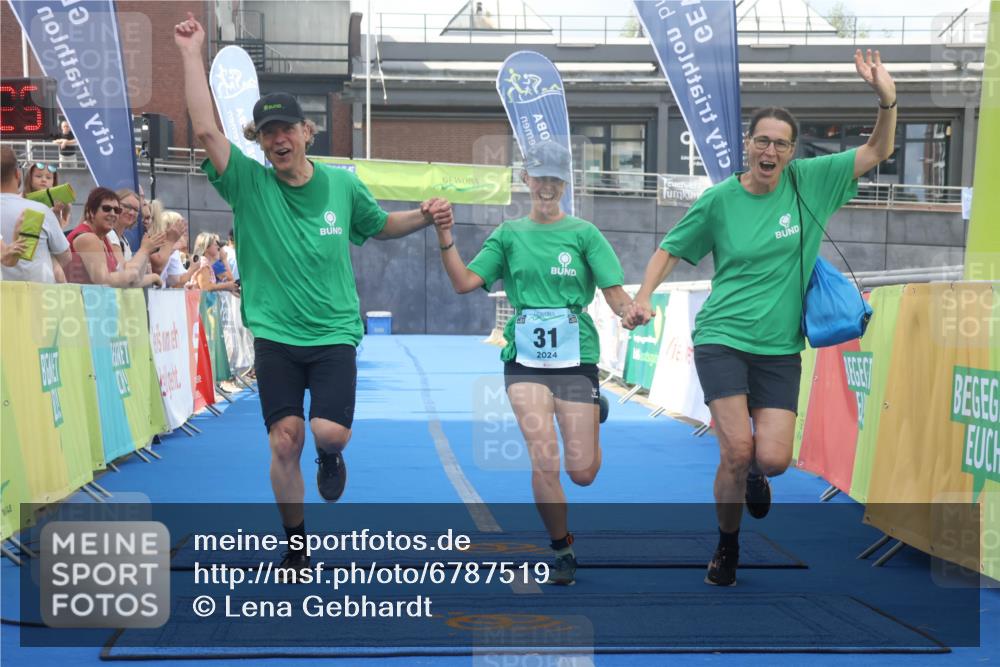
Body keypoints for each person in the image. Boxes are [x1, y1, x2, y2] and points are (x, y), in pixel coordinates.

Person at [174, 11, 454, 571]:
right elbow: (206, 130)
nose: (278, 138)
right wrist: (190, 52)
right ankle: (296, 542)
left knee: (329, 434)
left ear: (307, 132)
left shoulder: (342, 185)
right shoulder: (247, 183)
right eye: (267, 132)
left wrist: (425, 217)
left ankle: (330, 458)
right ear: (259, 140)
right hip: (275, 332)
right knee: (284, 439)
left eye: (287, 129)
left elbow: (378, 228)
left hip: (332, 332)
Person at [626, 49, 897, 587]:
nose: (770, 150)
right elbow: (671, 249)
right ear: (748, 146)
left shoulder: (811, 181)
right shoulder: (720, 200)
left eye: (781, 143)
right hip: (723, 338)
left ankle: (755, 476)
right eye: (762, 140)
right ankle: (727, 547)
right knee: (736, 447)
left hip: (779, 348)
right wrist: (644, 296)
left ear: (792, 152)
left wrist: (887, 98)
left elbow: (878, 149)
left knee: (771, 459)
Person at [434, 139, 633, 585]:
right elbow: (466, 282)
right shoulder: (508, 234)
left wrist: (631, 312)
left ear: (565, 183)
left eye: (555, 178)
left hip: (575, 357)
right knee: (544, 459)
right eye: (539, 176)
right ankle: (562, 548)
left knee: (582, 473)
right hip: (524, 362)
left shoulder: (584, 234)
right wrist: (444, 237)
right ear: (525, 179)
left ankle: (593, 411)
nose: (546, 186)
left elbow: (616, 295)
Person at [65, 187, 164, 287]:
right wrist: (144, 251)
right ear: (91, 211)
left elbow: (128, 281)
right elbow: (103, 281)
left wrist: (146, 254)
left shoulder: (103, 238)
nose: (112, 214)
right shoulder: (88, 238)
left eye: (116, 210)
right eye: (106, 209)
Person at [0, 147, 71, 283]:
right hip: (38, 295)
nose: (43, 180)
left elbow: (8, 258)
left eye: (49, 177)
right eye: (38, 176)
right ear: (18, 174)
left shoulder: (42, 210)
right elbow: (66, 257)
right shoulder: (38, 210)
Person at [23, 161, 71, 230]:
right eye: (38, 176)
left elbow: (58, 232)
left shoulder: (58, 202)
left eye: (48, 178)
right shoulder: (20, 199)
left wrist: (56, 212)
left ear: (53, 182)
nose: (44, 180)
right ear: (29, 178)